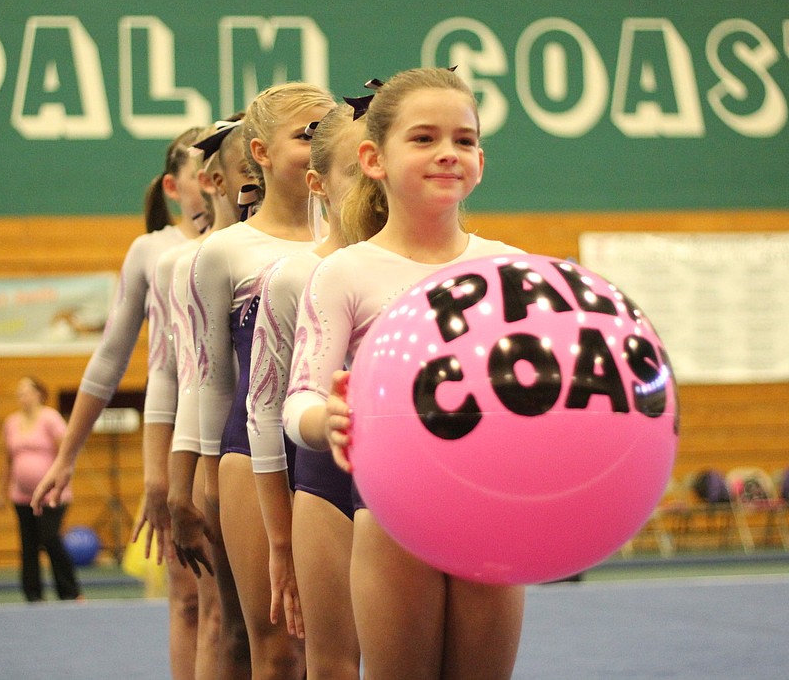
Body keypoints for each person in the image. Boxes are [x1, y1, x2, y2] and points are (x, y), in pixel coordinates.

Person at [282, 67, 527, 679]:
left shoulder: (515, 270)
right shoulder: (346, 272)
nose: (448, 153)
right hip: (393, 514)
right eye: (423, 138)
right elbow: (298, 402)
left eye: (464, 140)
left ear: (480, 158)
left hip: (492, 514)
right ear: (374, 158)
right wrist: (325, 420)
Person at [172, 82, 335, 680]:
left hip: (330, 447)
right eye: (305, 136)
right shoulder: (222, 252)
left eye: (329, 133)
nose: (320, 148)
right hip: (248, 450)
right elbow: (206, 378)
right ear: (261, 153)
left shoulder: (352, 241)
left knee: (334, 642)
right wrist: (199, 480)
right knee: (271, 646)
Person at [31, 128, 209, 670]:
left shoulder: (255, 241)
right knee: (189, 598)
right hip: (179, 439)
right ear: (173, 187)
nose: (211, 181)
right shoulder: (154, 252)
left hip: (248, 435)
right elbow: (111, 360)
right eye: (198, 173)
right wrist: (66, 455)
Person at [248, 103, 379, 679]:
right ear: (319, 185)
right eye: (354, 174)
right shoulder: (295, 277)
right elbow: (266, 410)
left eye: (376, 172)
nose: (371, 190)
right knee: (327, 663)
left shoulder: (422, 270)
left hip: (410, 482)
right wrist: (280, 542)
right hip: (322, 482)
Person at [137, 119, 249, 680]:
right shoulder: (178, 260)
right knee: (216, 617)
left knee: (296, 636)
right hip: (223, 459)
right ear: (214, 180)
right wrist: (169, 478)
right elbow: (182, 377)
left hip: (297, 460)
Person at [3, 376, 82, 602]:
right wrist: (2, 492)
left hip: (52, 493)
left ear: (39, 394)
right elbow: (8, 460)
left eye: (26, 391)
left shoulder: (50, 418)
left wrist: (62, 478)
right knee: (28, 544)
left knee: (49, 538)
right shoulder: (11, 422)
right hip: (21, 494)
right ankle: (32, 594)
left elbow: (66, 448)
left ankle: (69, 591)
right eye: (19, 393)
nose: (22, 397)